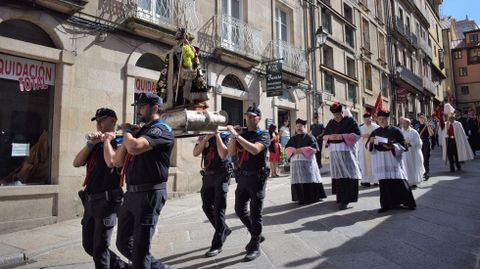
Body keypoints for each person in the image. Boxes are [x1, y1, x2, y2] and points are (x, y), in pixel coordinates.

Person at [113, 93, 175, 269]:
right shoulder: (139, 132)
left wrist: (126, 132)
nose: (138, 110)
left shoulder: (162, 129)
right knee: (123, 243)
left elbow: (134, 148)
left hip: (149, 194)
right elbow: (117, 161)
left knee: (140, 249)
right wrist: (130, 134)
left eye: (141, 107)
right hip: (131, 193)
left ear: (154, 108)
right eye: (138, 107)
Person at [73, 108, 128, 269]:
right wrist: (90, 145)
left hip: (107, 200)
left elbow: (113, 162)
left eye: (101, 120)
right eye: (96, 121)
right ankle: (122, 267)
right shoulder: (96, 144)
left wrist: (106, 141)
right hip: (90, 200)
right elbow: (76, 162)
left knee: (100, 249)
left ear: (112, 121)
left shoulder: (119, 142)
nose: (98, 124)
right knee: (89, 245)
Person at [227, 106, 270, 262]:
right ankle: (256, 234)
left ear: (259, 118)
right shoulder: (242, 133)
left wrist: (237, 136)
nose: (249, 119)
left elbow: (254, 150)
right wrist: (233, 137)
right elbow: (231, 153)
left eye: (253, 117)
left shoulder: (264, 134)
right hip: (243, 177)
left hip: (257, 178)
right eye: (247, 116)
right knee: (239, 209)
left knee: (255, 213)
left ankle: (255, 246)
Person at [367, 109, 416, 213]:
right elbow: (368, 146)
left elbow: (403, 145)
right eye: (380, 119)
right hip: (380, 159)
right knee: (384, 183)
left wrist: (392, 146)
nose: (382, 121)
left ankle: (408, 203)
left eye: (384, 119)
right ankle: (387, 205)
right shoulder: (375, 132)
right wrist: (371, 142)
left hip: (392, 158)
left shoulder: (396, 130)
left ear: (388, 119)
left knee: (398, 180)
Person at [193, 131, 233, 257]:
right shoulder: (202, 137)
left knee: (219, 209)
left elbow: (223, 155)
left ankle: (217, 244)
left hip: (221, 174)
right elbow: (195, 153)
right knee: (206, 207)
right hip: (208, 175)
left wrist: (217, 136)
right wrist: (205, 139)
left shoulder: (225, 136)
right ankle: (223, 229)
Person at [324, 102, 362, 210]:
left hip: (347, 153)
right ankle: (340, 199)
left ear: (342, 112)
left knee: (348, 175)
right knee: (339, 178)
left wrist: (342, 136)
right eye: (335, 115)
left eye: (339, 115)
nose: (337, 117)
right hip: (335, 154)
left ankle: (346, 200)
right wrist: (331, 137)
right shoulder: (331, 123)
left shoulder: (350, 121)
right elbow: (325, 136)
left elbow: (357, 135)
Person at [285, 118, 326, 204]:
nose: (299, 128)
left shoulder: (310, 137)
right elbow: (287, 148)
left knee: (309, 179)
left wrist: (302, 150)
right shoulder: (293, 138)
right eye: (297, 126)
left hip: (307, 164)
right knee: (299, 180)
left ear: (304, 127)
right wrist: (293, 151)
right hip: (296, 164)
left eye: (300, 126)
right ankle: (301, 198)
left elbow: (314, 148)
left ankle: (312, 197)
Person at [400, 117, 425, 188]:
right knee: (405, 166)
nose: (403, 125)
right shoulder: (400, 132)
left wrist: (411, 144)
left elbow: (419, 142)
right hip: (404, 153)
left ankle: (414, 181)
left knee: (412, 166)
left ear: (409, 124)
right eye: (403, 123)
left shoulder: (414, 132)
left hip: (413, 153)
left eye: (405, 123)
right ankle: (406, 181)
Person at [358, 112, 379, 187]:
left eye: (369, 119)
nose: (367, 121)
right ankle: (366, 181)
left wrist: (372, 138)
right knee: (364, 164)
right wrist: (362, 136)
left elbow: (378, 138)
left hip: (373, 148)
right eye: (366, 120)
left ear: (371, 119)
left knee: (374, 164)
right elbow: (357, 139)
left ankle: (376, 180)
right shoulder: (361, 128)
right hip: (363, 148)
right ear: (364, 120)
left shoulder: (376, 127)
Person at [415, 113, 433, 180]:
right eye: (420, 118)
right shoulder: (417, 126)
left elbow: (431, 134)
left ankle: (426, 172)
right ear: (418, 119)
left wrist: (428, 127)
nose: (421, 119)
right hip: (419, 142)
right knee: (420, 157)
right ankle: (421, 171)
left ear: (425, 119)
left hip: (426, 142)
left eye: (422, 118)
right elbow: (416, 134)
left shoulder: (427, 125)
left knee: (426, 157)